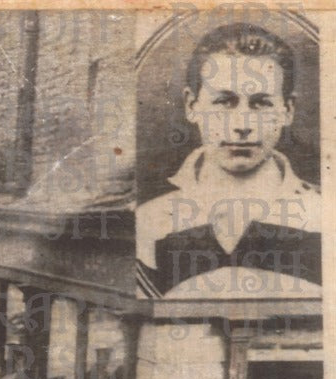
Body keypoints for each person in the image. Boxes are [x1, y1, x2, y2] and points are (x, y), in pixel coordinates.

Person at [137, 22, 321, 299]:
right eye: (224, 102)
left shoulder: (322, 216)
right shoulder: (152, 221)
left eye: (261, 103)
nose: (241, 125)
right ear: (192, 106)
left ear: (287, 110)